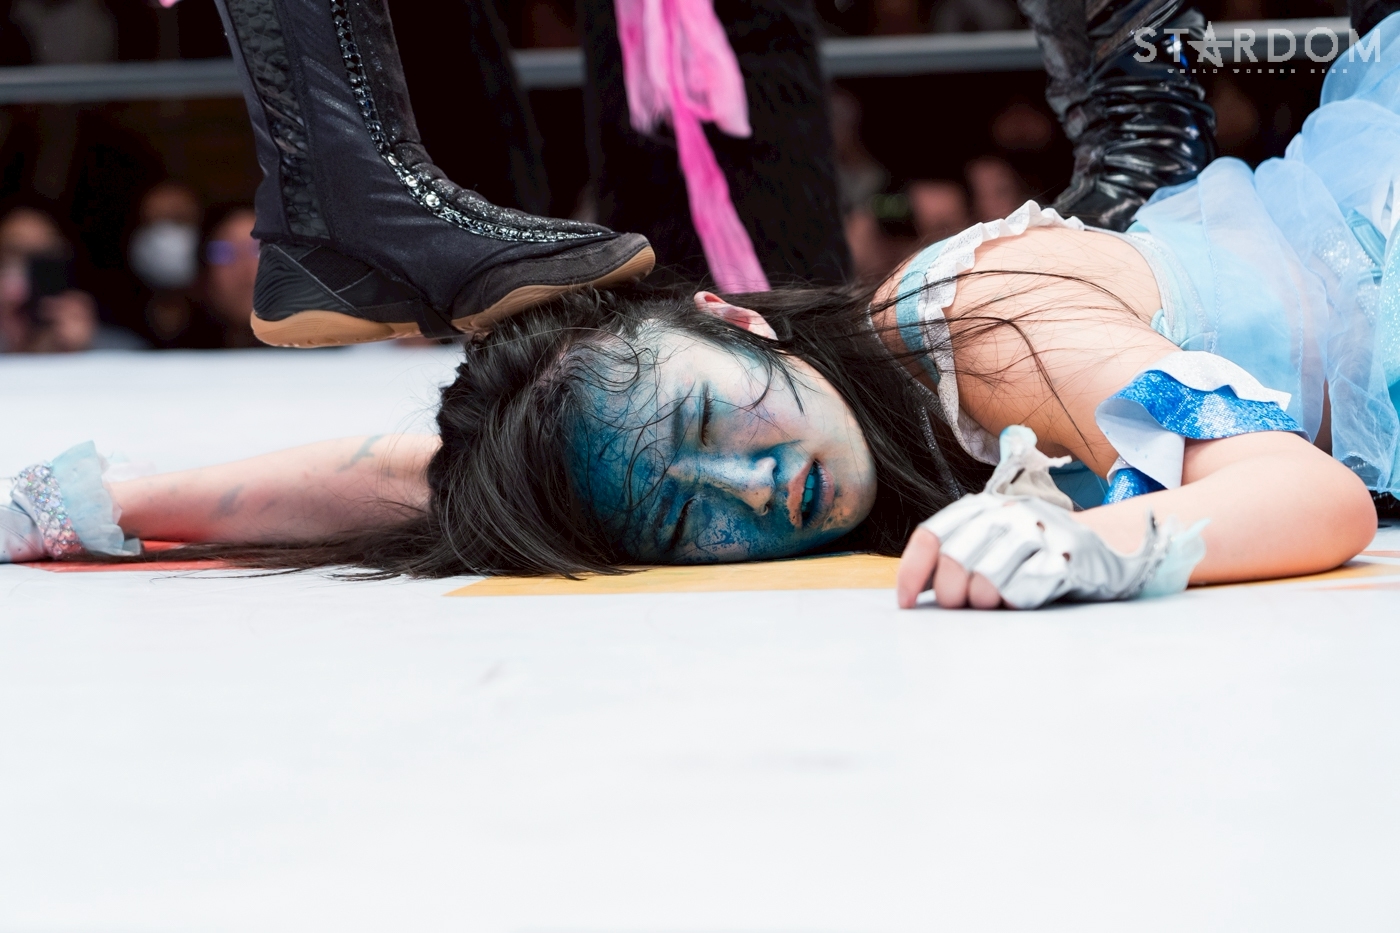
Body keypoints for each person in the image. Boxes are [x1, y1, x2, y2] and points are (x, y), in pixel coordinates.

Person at [6, 0, 1395, 613]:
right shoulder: (741, 408)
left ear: (738, 316)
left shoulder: (987, 328)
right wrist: (92, 500)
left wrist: (1099, 549)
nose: (755, 482)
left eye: (716, 429)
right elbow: (424, 476)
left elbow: (1310, 494)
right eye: (688, 513)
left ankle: (1138, 100)